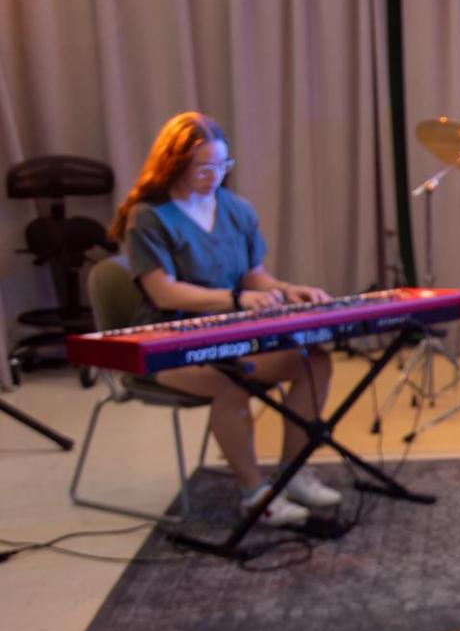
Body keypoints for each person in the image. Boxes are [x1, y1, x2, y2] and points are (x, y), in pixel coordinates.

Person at [107, 112, 344, 528]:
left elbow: (254, 275)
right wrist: (236, 299)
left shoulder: (235, 208)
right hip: (166, 343)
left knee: (314, 361)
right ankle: (256, 494)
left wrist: (286, 290)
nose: (214, 175)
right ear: (175, 164)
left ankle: (293, 473)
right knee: (230, 381)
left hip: (229, 336)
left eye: (222, 165)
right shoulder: (149, 216)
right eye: (203, 167)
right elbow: (164, 292)